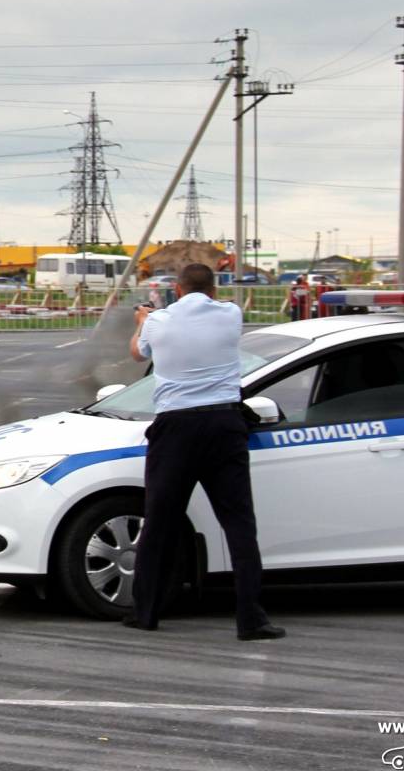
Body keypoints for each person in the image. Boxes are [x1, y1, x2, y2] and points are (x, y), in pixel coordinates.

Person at [127, 263, 284, 642]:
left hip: (175, 428)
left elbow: (136, 354)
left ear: (177, 289)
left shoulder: (158, 322)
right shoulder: (231, 314)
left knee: (160, 521)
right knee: (239, 524)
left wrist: (142, 320)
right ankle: (251, 618)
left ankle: (145, 612)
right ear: (213, 290)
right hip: (223, 425)